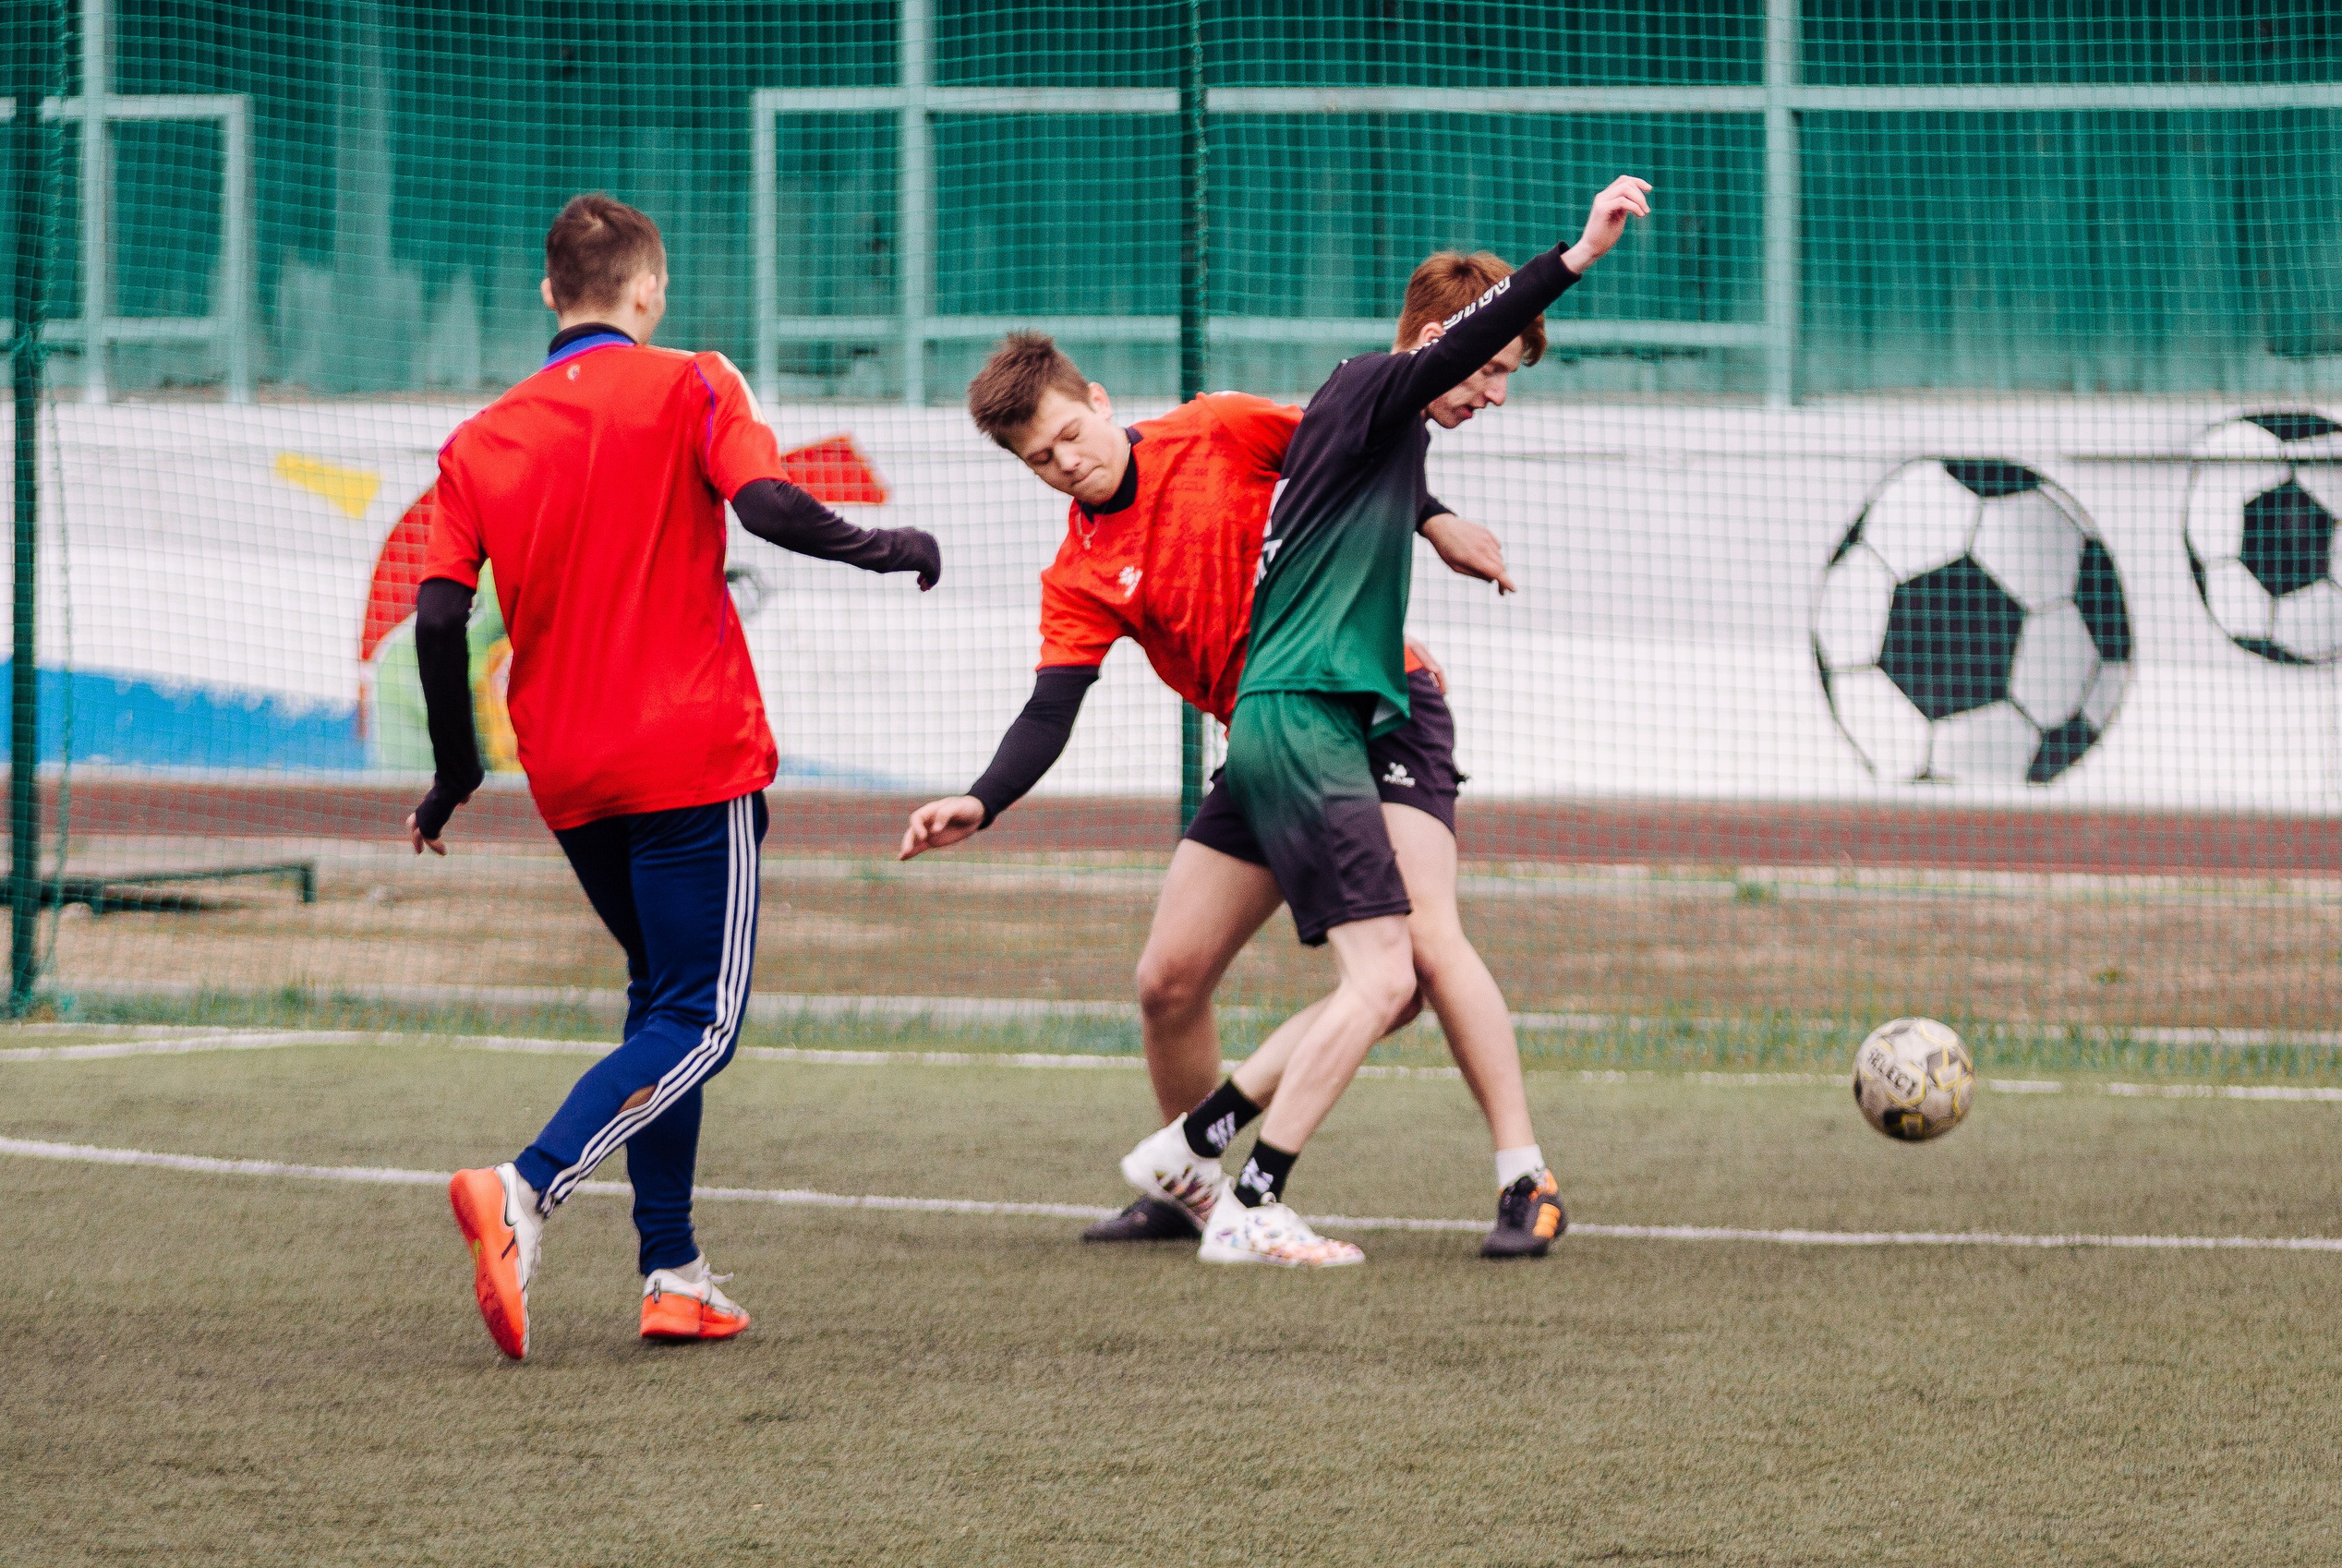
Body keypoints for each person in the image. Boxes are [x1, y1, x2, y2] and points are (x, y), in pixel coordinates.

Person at [416, 193, 941, 1359]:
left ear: (549, 296)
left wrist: (455, 776)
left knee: (658, 1000)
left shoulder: (479, 439)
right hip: (692, 757)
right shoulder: (694, 379)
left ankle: (673, 1272)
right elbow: (763, 503)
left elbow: (442, 617)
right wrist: (889, 545)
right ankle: (525, 1185)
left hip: (568, 775)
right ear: (648, 293)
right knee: (700, 1021)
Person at [898, 332, 1558, 1258]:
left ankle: (1522, 1176)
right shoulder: (1079, 574)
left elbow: (1350, 439)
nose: (1064, 466)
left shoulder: (1212, 429)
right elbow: (1050, 712)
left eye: (1068, 437)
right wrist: (981, 799)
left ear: (1096, 396)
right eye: (1038, 461)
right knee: (1167, 981)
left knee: (1421, 949)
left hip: (1379, 704)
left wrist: (1436, 518)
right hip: (1267, 745)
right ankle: (1192, 1184)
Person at [1123, 175, 1652, 1266]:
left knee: (1394, 973)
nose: (1496, 394)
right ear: (1441, 342)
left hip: (1298, 714)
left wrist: (1437, 522)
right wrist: (1580, 254)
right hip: (1312, 717)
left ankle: (1203, 1146)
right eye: (1492, 370)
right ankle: (1257, 1199)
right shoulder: (1374, 383)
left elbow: (1360, 460)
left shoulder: (1375, 428)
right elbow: (1443, 355)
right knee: (1387, 975)